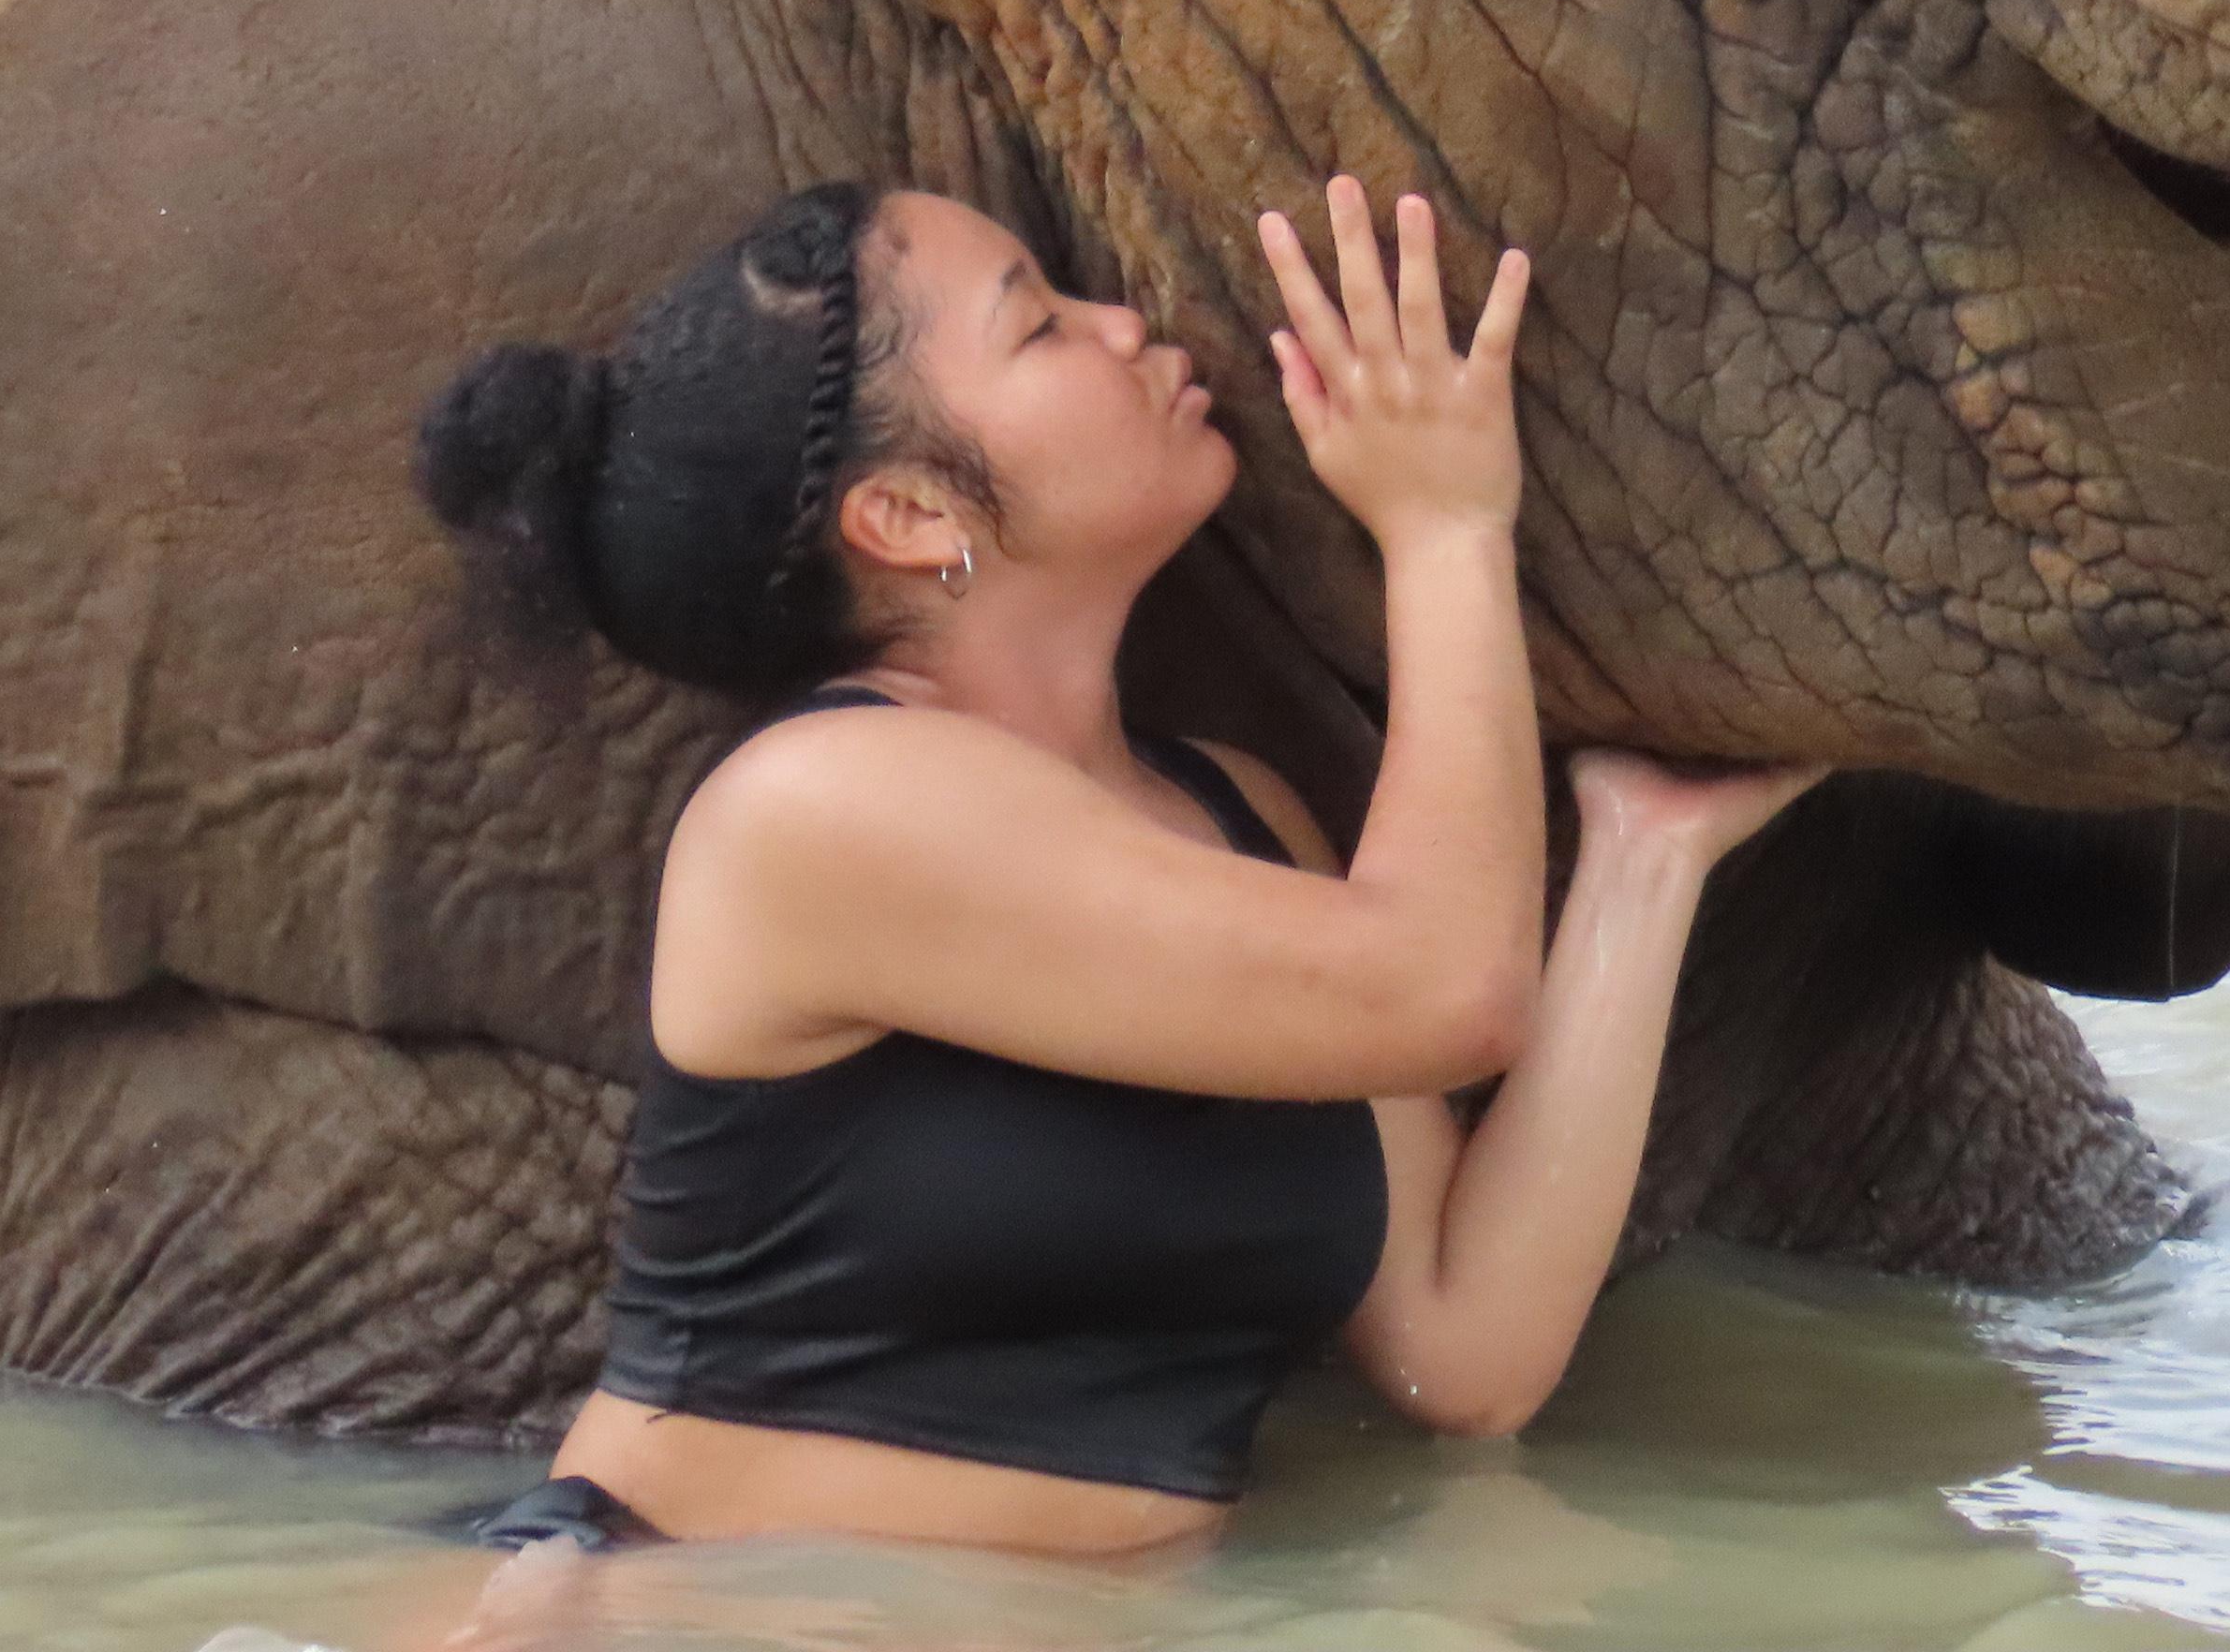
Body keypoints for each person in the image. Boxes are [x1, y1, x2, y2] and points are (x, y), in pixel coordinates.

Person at [411, 170, 1816, 1563]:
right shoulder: (818, 810)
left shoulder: (1235, 815)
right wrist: (1444, 527)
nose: (1124, 325)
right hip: (667, 1611)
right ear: (904, 517)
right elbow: (1445, 982)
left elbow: (1463, 1351)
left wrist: (1646, 854)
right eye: (1039, 325)